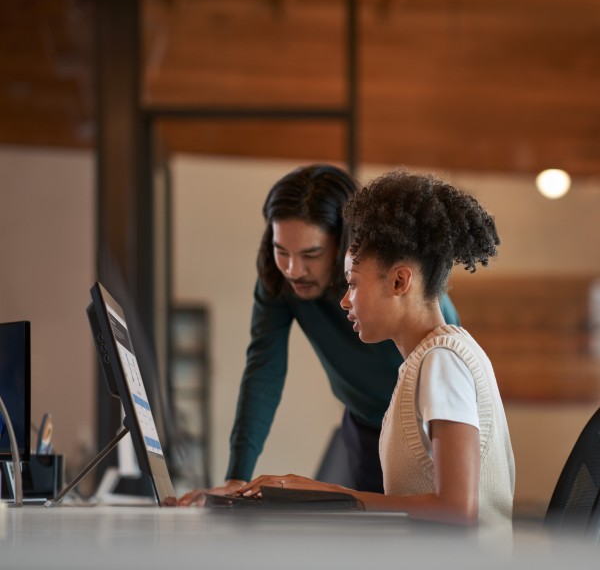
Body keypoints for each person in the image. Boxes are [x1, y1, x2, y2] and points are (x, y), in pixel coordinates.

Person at [234, 170, 515, 527]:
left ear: (399, 280)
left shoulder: (442, 363)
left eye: (352, 284)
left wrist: (334, 494)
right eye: (282, 252)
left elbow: (458, 510)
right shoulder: (425, 362)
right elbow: (263, 369)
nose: (343, 301)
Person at [178, 164, 460, 505]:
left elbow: (457, 503)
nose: (294, 270)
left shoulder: (397, 289)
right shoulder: (278, 281)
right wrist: (236, 476)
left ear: (346, 243)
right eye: (281, 251)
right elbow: (263, 369)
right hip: (362, 424)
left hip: (423, 428)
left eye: (311, 254)